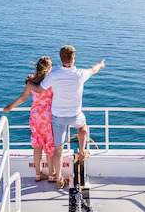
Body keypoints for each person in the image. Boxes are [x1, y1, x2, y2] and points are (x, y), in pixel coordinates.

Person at [29, 45, 104, 189]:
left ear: (60, 58)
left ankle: (58, 178)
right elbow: (94, 70)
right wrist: (100, 64)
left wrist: (29, 82)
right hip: (75, 115)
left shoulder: (54, 74)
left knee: (58, 149)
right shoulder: (80, 74)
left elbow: (39, 89)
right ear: (73, 58)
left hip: (58, 116)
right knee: (82, 127)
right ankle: (82, 151)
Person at [3, 56, 56, 181]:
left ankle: (38, 174)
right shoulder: (51, 82)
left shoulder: (31, 82)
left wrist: (9, 107)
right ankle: (52, 175)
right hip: (48, 116)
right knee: (49, 145)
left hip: (35, 116)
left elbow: (23, 98)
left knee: (37, 145)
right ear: (49, 68)